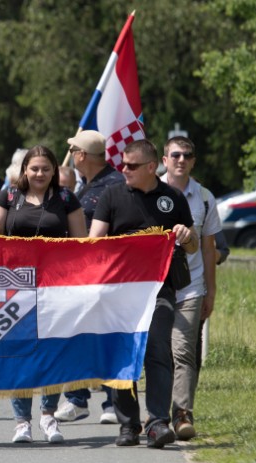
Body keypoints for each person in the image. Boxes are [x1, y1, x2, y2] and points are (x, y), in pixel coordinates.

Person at [89, 139, 198, 449]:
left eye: (132, 166)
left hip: (160, 289)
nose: (124, 169)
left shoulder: (173, 198)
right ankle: (128, 425)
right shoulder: (112, 194)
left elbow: (191, 245)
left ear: (152, 167)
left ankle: (157, 422)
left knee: (157, 349)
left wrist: (188, 236)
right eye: (123, 164)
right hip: (119, 292)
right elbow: (94, 241)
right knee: (123, 354)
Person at [0, 145, 86, 443]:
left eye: (46, 168)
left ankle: (48, 416)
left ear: (55, 171)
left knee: (51, 352)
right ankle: (22, 422)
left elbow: (81, 243)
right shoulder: (9, 196)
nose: (40, 174)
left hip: (55, 288)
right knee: (19, 353)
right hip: (14, 287)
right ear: (24, 170)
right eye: (34, 168)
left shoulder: (66, 198)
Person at [55, 130, 124, 425]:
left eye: (73, 151)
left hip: (109, 275)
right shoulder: (85, 185)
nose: (70, 156)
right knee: (77, 336)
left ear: (81, 156)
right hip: (81, 275)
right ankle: (77, 399)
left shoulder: (116, 185)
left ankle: (111, 402)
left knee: (107, 337)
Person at [160, 136, 221, 441]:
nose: (181, 159)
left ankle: (183, 414)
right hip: (154, 290)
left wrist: (211, 291)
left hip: (190, 288)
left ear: (194, 161)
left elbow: (209, 249)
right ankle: (154, 416)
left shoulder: (205, 197)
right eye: (175, 154)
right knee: (158, 354)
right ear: (164, 160)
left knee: (184, 352)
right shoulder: (148, 192)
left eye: (187, 155)